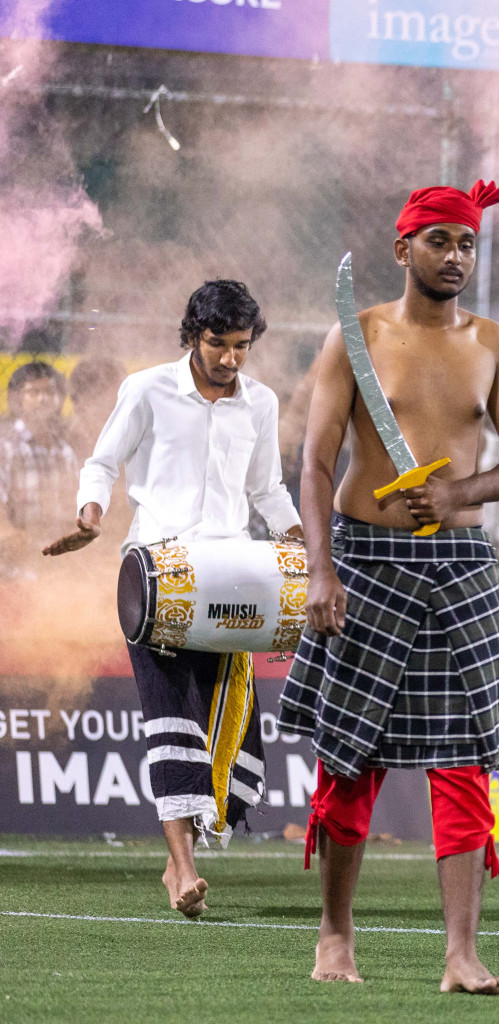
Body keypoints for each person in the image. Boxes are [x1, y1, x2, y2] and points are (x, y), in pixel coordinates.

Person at [277, 180, 499, 995]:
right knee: (348, 762)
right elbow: (316, 464)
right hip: (362, 559)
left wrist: (460, 494)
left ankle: (461, 956)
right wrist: (320, 569)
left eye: (466, 244)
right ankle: (334, 936)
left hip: (460, 567)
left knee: (463, 765)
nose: (455, 257)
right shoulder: (355, 337)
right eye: (439, 243)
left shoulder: (491, 342)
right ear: (404, 250)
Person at [43, 281, 302, 918]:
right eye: (219, 344)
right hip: (155, 576)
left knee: (217, 720)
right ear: (193, 335)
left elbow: (267, 490)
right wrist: (91, 512)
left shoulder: (261, 403)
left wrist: (299, 542)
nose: (231, 359)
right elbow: (102, 462)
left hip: (234, 579)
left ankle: (177, 856)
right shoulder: (147, 389)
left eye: (242, 346)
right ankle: (183, 868)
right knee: (171, 715)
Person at [1, 362, 78, 575]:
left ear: (60, 399)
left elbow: (73, 510)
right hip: (13, 568)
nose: (43, 399)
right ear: (17, 399)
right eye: (33, 392)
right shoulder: (6, 446)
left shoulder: (65, 452)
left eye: (49, 391)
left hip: (59, 565)